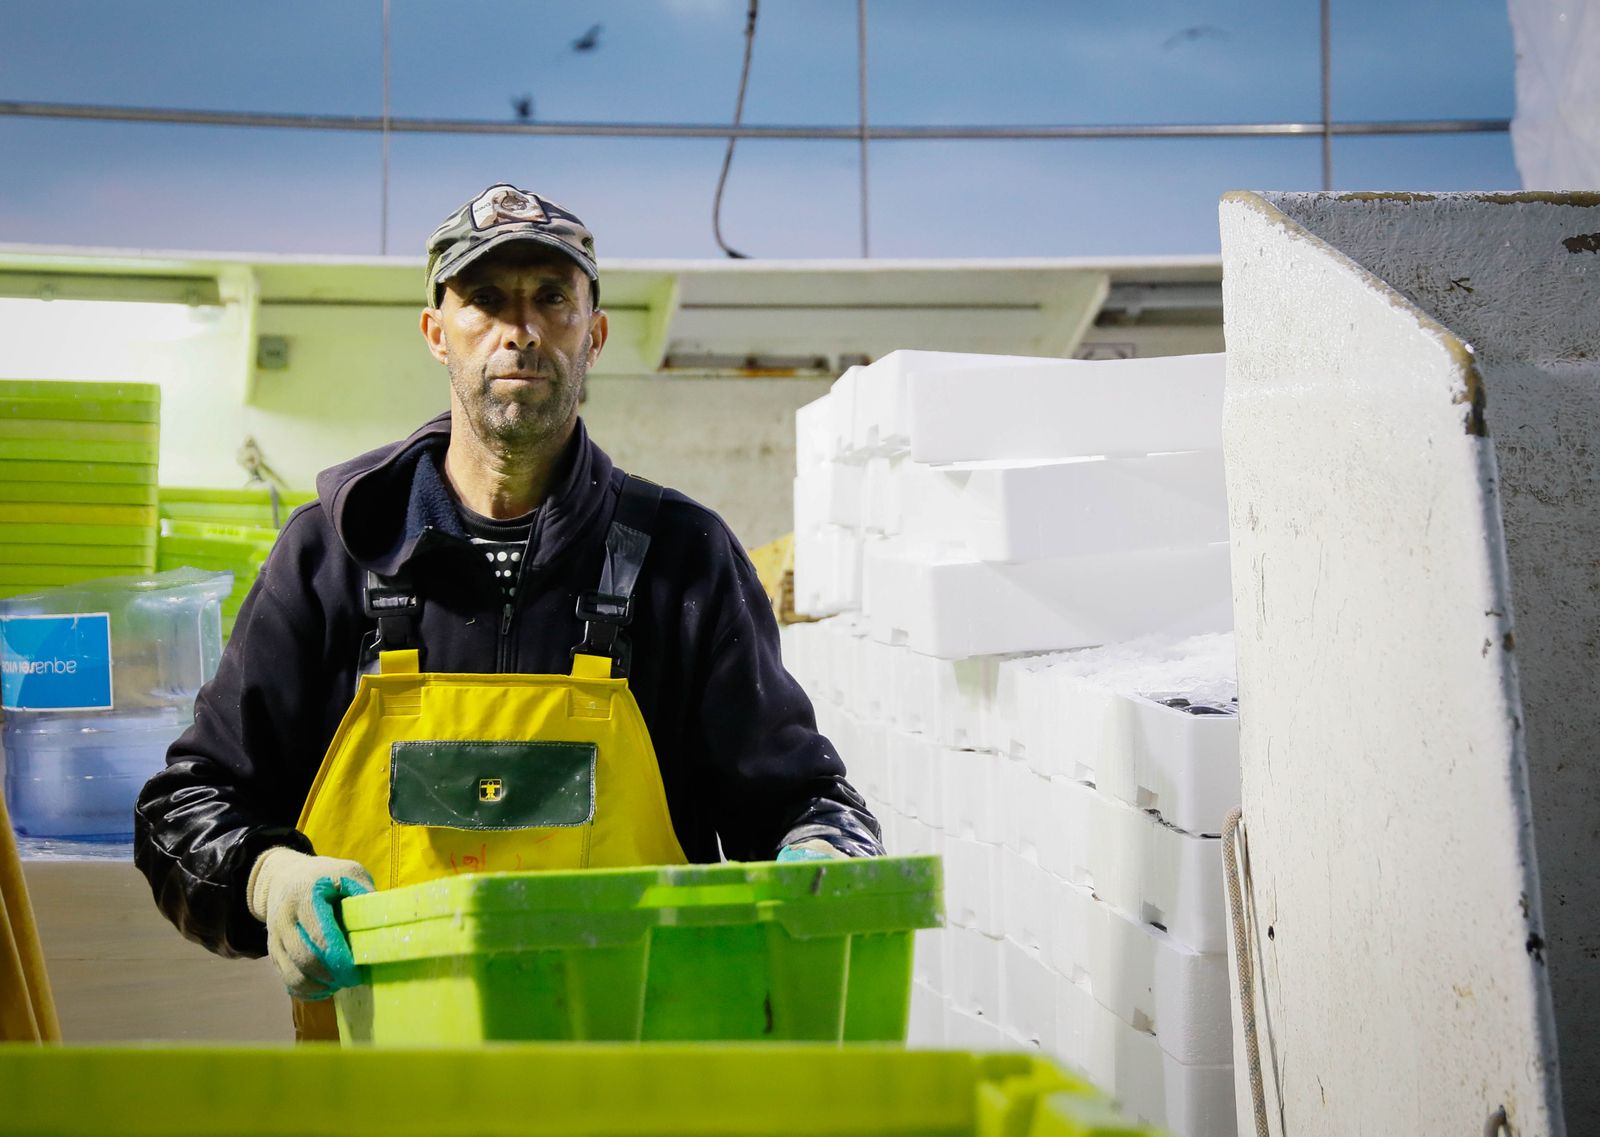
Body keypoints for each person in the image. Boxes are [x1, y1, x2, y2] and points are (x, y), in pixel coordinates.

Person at [134, 183, 882, 1035]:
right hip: (380, 1107)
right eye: (484, 300)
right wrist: (270, 878)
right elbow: (183, 809)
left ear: (592, 334)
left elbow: (807, 805)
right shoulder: (334, 554)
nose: (519, 330)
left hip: (629, 1098)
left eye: (552, 299)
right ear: (435, 334)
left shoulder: (684, 562)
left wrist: (819, 857)